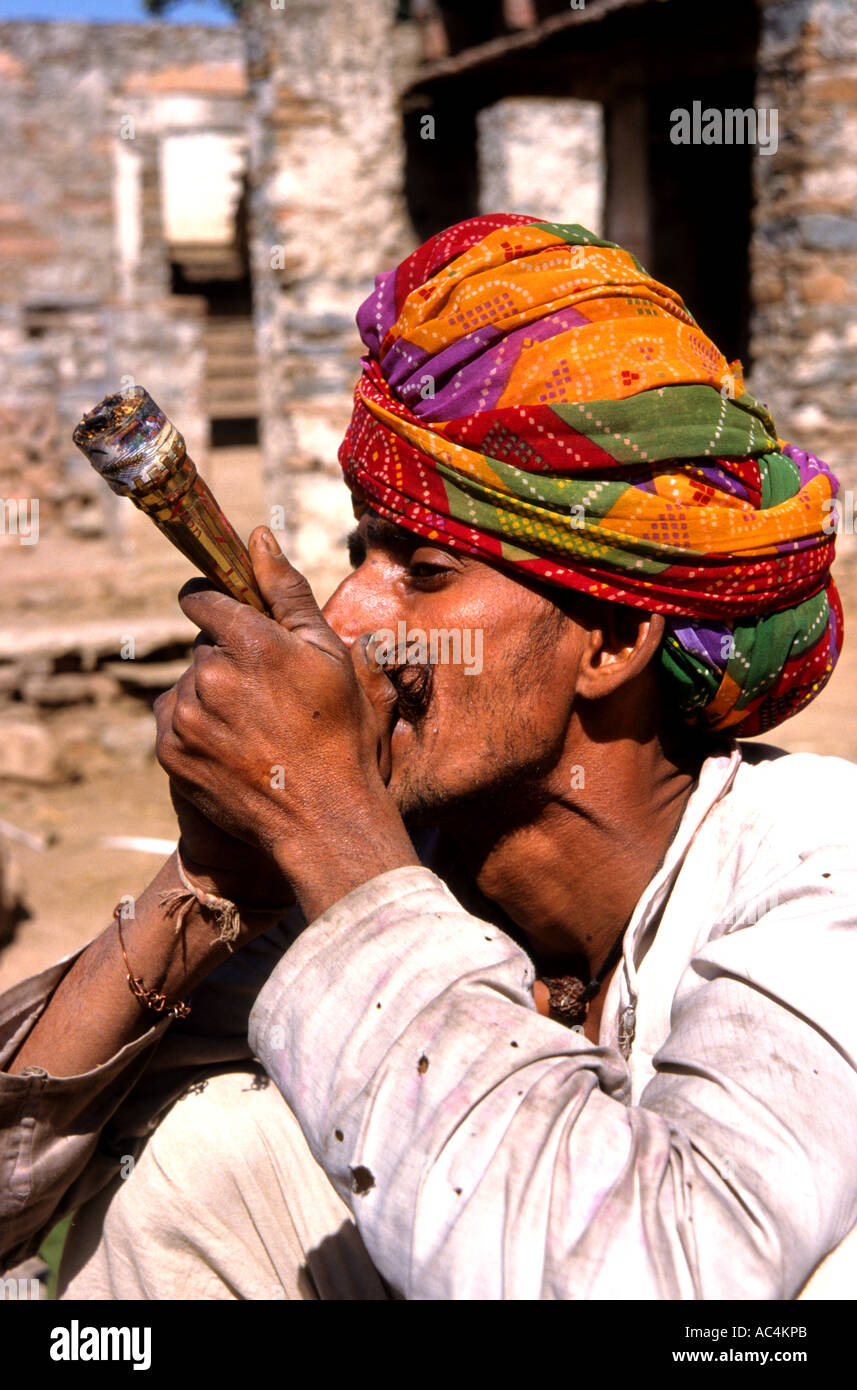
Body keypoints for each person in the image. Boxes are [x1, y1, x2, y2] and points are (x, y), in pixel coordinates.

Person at [1, 215, 855, 1300]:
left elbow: (651, 1278)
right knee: (209, 1160)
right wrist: (212, 880)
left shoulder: (819, 870)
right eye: (363, 547)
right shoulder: (404, 874)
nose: (351, 611)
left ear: (611, 640)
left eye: (425, 571)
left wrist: (328, 829)